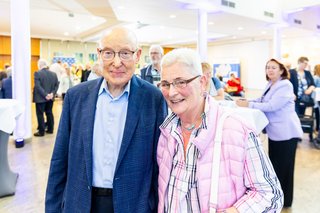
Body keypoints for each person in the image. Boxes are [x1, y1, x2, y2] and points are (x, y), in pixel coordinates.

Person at [45, 27, 167, 213]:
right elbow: (60, 160)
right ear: (99, 55)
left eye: (125, 53)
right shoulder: (76, 97)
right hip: (81, 203)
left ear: (137, 55)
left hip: (133, 205)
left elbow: (159, 164)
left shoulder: (153, 98)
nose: (117, 63)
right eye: (109, 53)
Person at [157, 48, 283, 212]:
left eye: (181, 82)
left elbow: (270, 195)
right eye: (166, 84)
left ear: (202, 82)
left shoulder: (236, 129)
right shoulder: (167, 130)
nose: (172, 92)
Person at [236, 58, 303, 208]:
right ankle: (279, 198)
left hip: (286, 133)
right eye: (268, 67)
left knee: (284, 169)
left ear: (281, 70)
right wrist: (248, 101)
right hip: (276, 133)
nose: (270, 70)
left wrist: (249, 104)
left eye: (273, 67)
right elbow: (262, 99)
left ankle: (285, 201)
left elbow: (273, 105)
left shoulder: (285, 85)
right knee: (276, 167)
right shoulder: (271, 84)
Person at [32, 59, 59, 136]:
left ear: (39, 65)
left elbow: (38, 86)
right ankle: (50, 129)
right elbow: (56, 85)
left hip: (40, 98)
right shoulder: (54, 74)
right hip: (50, 98)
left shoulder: (37, 73)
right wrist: (52, 94)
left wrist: (45, 95)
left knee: (40, 114)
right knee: (49, 113)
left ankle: (41, 131)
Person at [313, 64, 320, 132]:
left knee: (317, 114)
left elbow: (313, 88)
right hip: (318, 99)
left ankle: (317, 128)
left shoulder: (315, 78)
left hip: (317, 99)